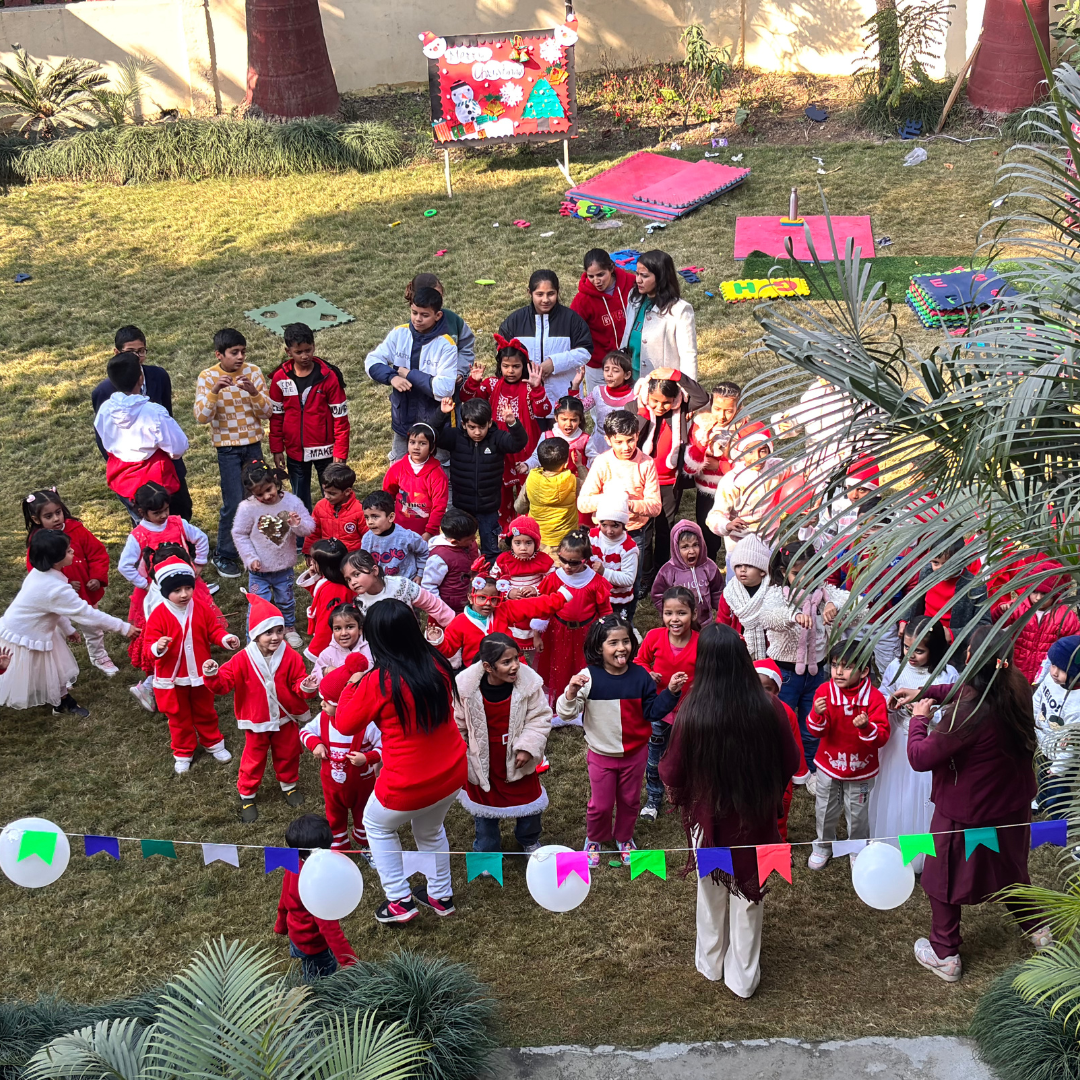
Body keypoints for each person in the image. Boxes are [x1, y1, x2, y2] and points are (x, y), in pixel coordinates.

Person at [896, 628, 1048, 982]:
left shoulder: (966, 714)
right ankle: (1038, 929)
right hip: (1011, 805)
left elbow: (920, 757)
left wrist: (919, 719)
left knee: (941, 878)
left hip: (966, 812)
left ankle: (945, 954)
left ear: (969, 657)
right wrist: (927, 691)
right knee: (1011, 867)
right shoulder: (1016, 685)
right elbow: (970, 687)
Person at [659, 623, 799, 996]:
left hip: (710, 823)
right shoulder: (770, 706)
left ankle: (711, 962)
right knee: (749, 896)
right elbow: (790, 760)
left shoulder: (693, 709)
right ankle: (743, 978)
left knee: (711, 891)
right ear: (743, 659)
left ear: (703, 661)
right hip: (756, 820)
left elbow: (671, 770)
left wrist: (690, 791)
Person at [334, 599, 468, 924]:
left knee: (377, 825)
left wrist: (351, 685)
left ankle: (398, 901)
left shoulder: (378, 681)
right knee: (431, 830)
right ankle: (441, 895)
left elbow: (345, 723)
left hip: (407, 783)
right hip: (452, 772)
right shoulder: (436, 662)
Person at [557, 615, 685, 867]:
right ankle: (594, 838)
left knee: (630, 801)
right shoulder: (588, 677)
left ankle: (624, 837)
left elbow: (652, 711)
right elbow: (565, 713)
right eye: (613, 643)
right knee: (601, 805)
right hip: (601, 755)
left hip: (635, 755)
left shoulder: (641, 676)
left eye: (625, 641)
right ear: (598, 647)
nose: (621, 648)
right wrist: (571, 691)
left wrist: (671, 692)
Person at [203, 593, 317, 822]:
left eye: (279, 631)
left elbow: (297, 683)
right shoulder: (241, 659)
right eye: (268, 632)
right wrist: (212, 674)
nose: (275, 637)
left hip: (285, 718)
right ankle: (247, 794)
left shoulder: (291, 656)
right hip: (257, 721)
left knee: (288, 753)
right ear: (255, 634)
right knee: (253, 759)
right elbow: (223, 685)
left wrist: (306, 686)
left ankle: (289, 785)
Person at [0, 529, 138, 715]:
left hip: (33, 629)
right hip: (26, 635)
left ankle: (62, 700)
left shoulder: (40, 574)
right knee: (42, 669)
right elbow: (87, 614)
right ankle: (62, 702)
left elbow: (53, 609)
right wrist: (124, 627)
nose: (72, 551)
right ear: (55, 559)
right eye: (67, 550)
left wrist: (67, 629)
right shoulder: (54, 587)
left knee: (54, 668)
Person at [118, 482, 218, 711]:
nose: (163, 515)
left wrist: (199, 563)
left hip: (184, 587)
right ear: (142, 512)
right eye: (157, 513)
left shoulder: (178, 523)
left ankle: (188, 669)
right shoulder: (139, 535)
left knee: (191, 626)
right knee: (165, 635)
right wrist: (145, 583)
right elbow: (124, 566)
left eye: (166, 509)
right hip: (157, 596)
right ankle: (154, 683)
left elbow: (201, 538)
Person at [871, 617, 958, 871]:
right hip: (899, 743)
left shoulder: (947, 675)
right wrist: (890, 704)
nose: (910, 655)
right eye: (907, 647)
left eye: (918, 651)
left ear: (935, 649)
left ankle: (922, 853)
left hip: (929, 744)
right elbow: (884, 692)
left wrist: (928, 714)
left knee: (922, 796)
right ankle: (893, 847)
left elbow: (953, 709)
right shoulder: (895, 667)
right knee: (895, 794)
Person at [759, 544, 848, 783]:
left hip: (816, 672)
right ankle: (779, 767)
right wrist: (793, 616)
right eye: (797, 573)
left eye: (811, 573)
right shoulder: (777, 594)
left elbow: (856, 604)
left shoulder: (825, 594)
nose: (804, 579)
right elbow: (768, 616)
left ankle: (810, 770)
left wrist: (835, 606)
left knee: (811, 724)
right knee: (780, 721)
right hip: (785, 673)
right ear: (784, 571)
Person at [455, 633, 552, 853]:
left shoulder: (529, 685)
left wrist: (528, 747)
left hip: (517, 759)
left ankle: (528, 839)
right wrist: (462, 752)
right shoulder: (466, 689)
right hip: (483, 761)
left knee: (529, 805)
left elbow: (539, 718)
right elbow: (457, 722)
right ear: (488, 667)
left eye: (516, 658)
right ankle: (487, 849)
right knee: (485, 810)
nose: (515, 665)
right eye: (506, 662)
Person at [144, 556, 241, 773]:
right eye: (177, 590)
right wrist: (158, 647)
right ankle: (183, 751)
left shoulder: (201, 608)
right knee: (178, 717)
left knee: (205, 710)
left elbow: (213, 630)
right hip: (173, 679)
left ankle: (213, 742)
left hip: (200, 673)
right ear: (164, 592)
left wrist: (225, 638)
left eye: (188, 588)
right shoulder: (158, 615)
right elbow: (148, 648)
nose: (184, 594)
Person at [193, 327, 272, 578]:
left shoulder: (254, 372)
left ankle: (257, 546)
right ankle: (225, 554)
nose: (240, 357)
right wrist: (215, 391)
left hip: (253, 446)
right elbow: (201, 417)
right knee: (233, 502)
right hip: (227, 450)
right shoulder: (207, 377)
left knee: (259, 496)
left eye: (243, 352)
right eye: (234, 352)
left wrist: (254, 393)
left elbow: (268, 412)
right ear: (219, 354)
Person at [91, 325, 191, 522]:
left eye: (141, 351)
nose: (137, 357)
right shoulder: (152, 412)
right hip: (159, 474)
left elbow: (104, 437)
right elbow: (178, 445)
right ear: (139, 379)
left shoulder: (105, 410)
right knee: (173, 520)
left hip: (125, 479)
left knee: (145, 524)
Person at [806, 640, 890, 870]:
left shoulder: (874, 699)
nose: (839, 671)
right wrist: (817, 714)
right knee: (825, 808)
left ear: (864, 671)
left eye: (847, 666)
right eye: (835, 665)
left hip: (861, 768)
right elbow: (816, 731)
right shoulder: (824, 692)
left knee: (858, 812)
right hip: (828, 764)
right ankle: (823, 845)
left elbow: (882, 736)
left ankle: (857, 848)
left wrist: (866, 727)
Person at [23, 488, 115, 676]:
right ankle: (59, 669)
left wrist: (97, 577)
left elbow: (97, 554)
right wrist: (63, 585)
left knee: (93, 626)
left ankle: (99, 656)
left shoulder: (77, 530)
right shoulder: (39, 542)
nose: (56, 519)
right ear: (36, 519)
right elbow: (37, 572)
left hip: (84, 595)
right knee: (56, 634)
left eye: (58, 512)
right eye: (49, 516)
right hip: (56, 600)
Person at [462, 336, 552, 526]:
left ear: (524, 366)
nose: (510, 371)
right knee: (500, 491)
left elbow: (543, 411)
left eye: (516, 366)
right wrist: (473, 382)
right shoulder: (492, 384)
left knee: (527, 490)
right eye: (506, 366)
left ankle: (527, 527)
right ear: (500, 365)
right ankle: (504, 528)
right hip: (498, 446)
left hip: (525, 447)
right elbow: (468, 401)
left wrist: (537, 389)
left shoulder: (529, 387)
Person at [365, 286, 459, 463]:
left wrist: (409, 374)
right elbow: (371, 361)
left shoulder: (447, 345)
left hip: (436, 425)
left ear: (438, 315)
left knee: (438, 472)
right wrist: (392, 377)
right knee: (398, 470)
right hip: (403, 423)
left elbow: (445, 389)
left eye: (425, 315)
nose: (417, 319)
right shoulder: (399, 333)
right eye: (414, 313)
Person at [231, 460, 315, 650]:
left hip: (284, 567)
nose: (266, 496)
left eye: (269, 490)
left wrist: (297, 524)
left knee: (286, 600)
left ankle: (288, 627)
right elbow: (239, 534)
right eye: (259, 494)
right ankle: (254, 636)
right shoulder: (247, 508)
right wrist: (250, 558)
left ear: (275, 480)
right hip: (258, 571)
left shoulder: (291, 502)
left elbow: (309, 528)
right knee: (258, 604)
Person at [301, 659, 381, 852]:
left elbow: (384, 746)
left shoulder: (367, 725)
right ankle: (338, 844)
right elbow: (305, 731)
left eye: (327, 702)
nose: (321, 704)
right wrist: (316, 744)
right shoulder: (323, 719)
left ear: (345, 704)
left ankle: (365, 843)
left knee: (363, 812)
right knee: (334, 813)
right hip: (332, 784)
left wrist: (367, 758)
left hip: (362, 784)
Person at [431, 557, 569, 669]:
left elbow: (534, 605)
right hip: (480, 674)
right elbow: (448, 650)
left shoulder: (503, 610)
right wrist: (438, 641)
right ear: (470, 597)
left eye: (493, 599)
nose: (488, 604)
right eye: (482, 598)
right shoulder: (459, 622)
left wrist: (561, 598)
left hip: (513, 667)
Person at [433, 396, 527, 559]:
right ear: (463, 424)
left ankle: (490, 571)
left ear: (490, 423)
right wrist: (441, 414)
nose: (477, 432)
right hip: (462, 506)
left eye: (482, 427)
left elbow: (518, 443)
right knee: (459, 548)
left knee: (490, 549)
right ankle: (463, 570)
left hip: (488, 507)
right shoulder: (455, 437)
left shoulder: (497, 438)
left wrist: (512, 423)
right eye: (472, 427)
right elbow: (433, 434)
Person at [268, 323, 350, 510]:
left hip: (326, 451)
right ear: (288, 351)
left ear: (314, 346)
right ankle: (304, 529)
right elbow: (276, 417)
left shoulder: (329, 377)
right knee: (300, 501)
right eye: (299, 352)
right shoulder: (279, 379)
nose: (304, 356)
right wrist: (277, 448)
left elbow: (341, 419)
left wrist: (340, 452)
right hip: (295, 452)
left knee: (333, 497)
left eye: (308, 350)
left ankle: (334, 526)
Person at [635, 368, 709, 571]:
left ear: (676, 400)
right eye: (655, 401)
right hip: (643, 481)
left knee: (665, 527)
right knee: (645, 529)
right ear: (646, 394)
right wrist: (643, 411)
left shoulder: (681, 410)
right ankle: (645, 573)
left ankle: (662, 569)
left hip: (669, 482)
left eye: (666, 402)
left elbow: (702, 397)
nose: (660, 407)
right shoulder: (636, 407)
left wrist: (677, 375)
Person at [637, 586, 699, 821]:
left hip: (690, 714)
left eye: (681, 613)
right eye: (668, 613)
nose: (674, 619)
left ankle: (688, 796)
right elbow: (640, 661)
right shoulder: (654, 636)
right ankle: (654, 797)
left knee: (689, 757)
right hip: (659, 712)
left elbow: (708, 673)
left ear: (693, 614)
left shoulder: (701, 643)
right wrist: (648, 673)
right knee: (654, 759)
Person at [578, 410, 662, 582]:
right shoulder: (602, 462)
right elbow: (583, 503)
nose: (626, 447)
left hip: (634, 531)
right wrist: (610, 499)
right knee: (601, 579)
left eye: (630, 440)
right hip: (604, 533)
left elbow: (655, 507)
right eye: (619, 442)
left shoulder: (646, 463)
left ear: (637, 435)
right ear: (608, 440)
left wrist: (629, 503)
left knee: (632, 579)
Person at [273, 813, 357, 980]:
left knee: (309, 968)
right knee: (318, 981)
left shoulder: (294, 864)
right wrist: (350, 962)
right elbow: (329, 928)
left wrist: (281, 925)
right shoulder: (317, 883)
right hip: (314, 946)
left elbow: (284, 898)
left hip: (296, 935)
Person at [538, 529, 614, 710]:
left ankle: (584, 703)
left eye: (574, 563)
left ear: (585, 559)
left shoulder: (595, 582)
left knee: (584, 665)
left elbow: (605, 610)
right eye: (563, 560)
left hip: (587, 632)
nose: (567, 566)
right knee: (560, 666)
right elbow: (543, 608)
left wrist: (605, 635)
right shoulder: (554, 579)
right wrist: (537, 634)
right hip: (558, 631)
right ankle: (561, 704)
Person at [499, 269, 593, 412]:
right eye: (539, 294)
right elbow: (502, 354)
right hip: (526, 400)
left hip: (562, 399)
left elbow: (585, 352)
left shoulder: (572, 320)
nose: (545, 300)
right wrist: (527, 366)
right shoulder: (515, 321)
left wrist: (554, 363)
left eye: (551, 294)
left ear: (558, 292)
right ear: (529, 292)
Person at [899, 538, 990, 669]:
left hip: (952, 650)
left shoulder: (975, 587)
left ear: (962, 559)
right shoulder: (927, 572)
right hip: (923, 639)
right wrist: (905, 619)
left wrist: (953, 634)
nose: (941, 569)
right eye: (936, 562)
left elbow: (984, 624)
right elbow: (915, 598)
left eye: (948, 564)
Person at [683, 382, 746, 562]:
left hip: (737, 491)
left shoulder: (746, 428)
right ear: (711, 404)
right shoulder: (701, 424)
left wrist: (718, 465)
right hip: (707, 490)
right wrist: (702, 445)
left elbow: (748, 465)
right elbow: (690, 465)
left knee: (739, 535)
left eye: (728, 410)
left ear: (739, 407)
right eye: (717, 409)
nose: (722, 415)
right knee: (707, 534)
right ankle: (709, 567)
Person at [993, 561, 1079, 684]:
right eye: (1034, 592)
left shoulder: (1065, 615)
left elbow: (1074, 642)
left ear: (1055, 593)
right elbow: (995, 624)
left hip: (1046, 674)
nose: (1038, 598)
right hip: (1017, 669)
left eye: (1044, 594)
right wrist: (1001, 612)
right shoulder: (1018, 606)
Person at [706, 431, 783, 567]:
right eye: (750, 452)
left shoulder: (777, 468)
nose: (757, 457)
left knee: (770, 576)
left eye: (762, 451)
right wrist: (726, 525)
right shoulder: (732, 481)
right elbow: (714, 515)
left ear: (769, 450)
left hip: (769, 541)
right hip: (740, 544)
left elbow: (802, 468)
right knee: (740, 577)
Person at [754, 658, 809, 841]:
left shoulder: (786, 712)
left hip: (779, 775)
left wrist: (799, 773)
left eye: (767, 688)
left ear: (776, 690)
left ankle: (778, 842)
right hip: (751, 774)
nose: (761, 693)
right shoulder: (741, 711)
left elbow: (795, 744)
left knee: (779, 813)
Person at [620, 250, 697, 381]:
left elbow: (688, 355)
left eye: (644, 276)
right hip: (630, 378)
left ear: (661, 277)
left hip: (660, 385)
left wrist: (688, 387)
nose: (638, 280)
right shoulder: (634, 297)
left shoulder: (680, 310)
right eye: (637, 274)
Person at [570, 249, 637, 394]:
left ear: (611, 268)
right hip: (599, 366)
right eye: (591, 276)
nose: (596, 281)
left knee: (632, 402)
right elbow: (572, 330)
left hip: (631, 359)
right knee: (600, 404)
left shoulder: (631, 283)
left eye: (601, 274)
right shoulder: (582, 300)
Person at [493, 515, 556, 660]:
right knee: (511, 646)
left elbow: (553, 581)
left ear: (536, 543)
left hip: (536, 610)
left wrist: (537, 590)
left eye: (528, 543)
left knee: (538, 651)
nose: (523, 548)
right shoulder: (503, 560)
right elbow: (493, 581)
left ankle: (536, 667)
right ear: (511, 543)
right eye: (517, 543)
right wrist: (508, 592)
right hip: (512, 612)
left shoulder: (544, 561)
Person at [1032, 634, 1080, 818]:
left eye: (1061, 669)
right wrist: (1033, 721)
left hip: (1062, 759)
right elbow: (1038, 698)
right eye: (1053, 665)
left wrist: (1059, 768)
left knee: (1058, 791)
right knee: (1042, 777)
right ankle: (1042, 799)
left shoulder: (1077, 704)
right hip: (1044, 744)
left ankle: (1057, 818)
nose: (1053, 672)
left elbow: (1072, 744)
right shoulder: (1051, 681)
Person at [342, 549, 454, 628]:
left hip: (413, 643)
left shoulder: (401, 585)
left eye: (356, 574)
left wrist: (455, 625)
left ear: (374, 570)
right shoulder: (359, 604)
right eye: (348, 579)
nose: (353, 582)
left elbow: (432, 604)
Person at [650, 520, 722, 628]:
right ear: (676, 548)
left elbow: (718, 591)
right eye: (685, 547)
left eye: (695, 545)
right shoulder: (668, 571)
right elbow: (658, 595)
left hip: (705, 623)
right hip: (679, 625)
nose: (691, 551)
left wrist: (721, 611)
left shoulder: (709, 567)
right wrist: (669, 613)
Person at [404, 272, 476, 381]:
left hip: (454, 385)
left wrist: (459, 371)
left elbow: (466, 347)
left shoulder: (454, 321)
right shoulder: (406, 333)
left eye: (440, 296)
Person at [382, 423, 448, 540]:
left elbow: (439, 506)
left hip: (424, 534)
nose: (416, 447)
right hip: (398, 530)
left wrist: (429, 532)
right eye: (412, 442)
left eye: (422, 443)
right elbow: (387, 495)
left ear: (432, 448)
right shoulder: (397, 468)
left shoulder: (437, 475)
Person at [716, 535, 774, 661]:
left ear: (762, 570)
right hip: (738, 648)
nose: (742, 570)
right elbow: (722, 623)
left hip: (770, 649)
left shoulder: (772, 591)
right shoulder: (730, 593)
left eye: (749, 565)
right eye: (738, 566)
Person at [296, 538, 352, 662]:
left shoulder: (334, 590)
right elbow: (319, 594)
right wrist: (313, 577)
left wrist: (316, 650)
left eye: (314, 561)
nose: (311, 563)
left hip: (333, 642)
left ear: (323, 565)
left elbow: (327, 623)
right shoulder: (335, 580)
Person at [588, 492, 639, 623]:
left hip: (618, 600)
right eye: (604, 525)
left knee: (616, 628)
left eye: (615, 526)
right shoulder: (592, 537)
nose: (609, 531)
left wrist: (604, 572)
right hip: (595, 596)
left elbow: (628, 579)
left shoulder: (628, 548)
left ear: (623, 524)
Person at [420, 508, 480, 615]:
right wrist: (442, 611)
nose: (475, 539)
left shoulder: (470, 545)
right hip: (451, 609)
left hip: (471, 602)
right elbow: (429, 586)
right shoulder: (439, 558)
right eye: (470, 539)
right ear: (454, 542)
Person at [524, 439, 578, 553]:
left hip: (538, 538)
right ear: (567, 462)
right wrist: (580, 466)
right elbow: (588, 488)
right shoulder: (572, 480)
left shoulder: (531, 478)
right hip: (567, 541)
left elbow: (519, 507)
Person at [360, 490, 428, 581]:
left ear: (391, 517)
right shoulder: (367, 539)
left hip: (407, 582)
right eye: (367, 517)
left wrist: (420, 574)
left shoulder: (406, 536)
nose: (370, 522)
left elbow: (424, 551)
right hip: (382, 584)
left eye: (375, 516)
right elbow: (365, 562)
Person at [582, 350, 636, 462]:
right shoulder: (598, 392)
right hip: (599, 445)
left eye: (615, 371)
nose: (609, 374)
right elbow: (580, 408)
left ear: (627, 375)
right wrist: (575, 386)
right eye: (606, 370)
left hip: (623, 447)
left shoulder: (635, 396)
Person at [302, 462, 367, 554]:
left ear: (347, 491)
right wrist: (308, 553)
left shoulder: (359, 510)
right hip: (327, 557)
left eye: (332, 493)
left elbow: (368, 538)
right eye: (324, 491)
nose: (326, 496)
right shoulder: (320, 506)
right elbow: (313, 533)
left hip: (351, 558)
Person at [312, 601, 371, 684]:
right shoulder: (327, 654)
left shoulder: (371, 649)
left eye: (349, 627)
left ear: (360, 629)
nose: (343, 633)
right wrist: (325, 671)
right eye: (338, 628)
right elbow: (314, 679)